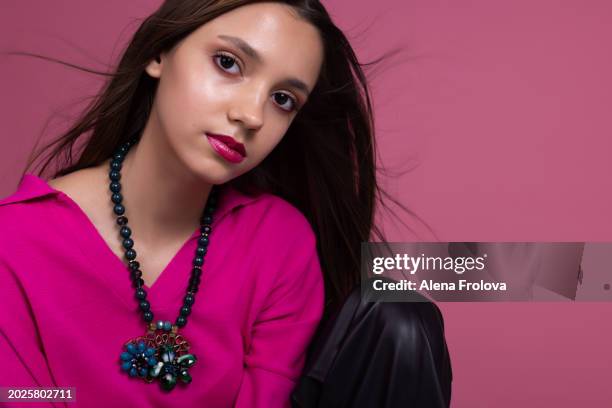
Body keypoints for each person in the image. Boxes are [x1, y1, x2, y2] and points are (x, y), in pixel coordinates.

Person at [0, 0, 451, 406]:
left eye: (283, 99)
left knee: (401, 316)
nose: (252, 115)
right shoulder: (15, 244)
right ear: (159, 52)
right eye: (228, 63)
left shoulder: (278, 243)